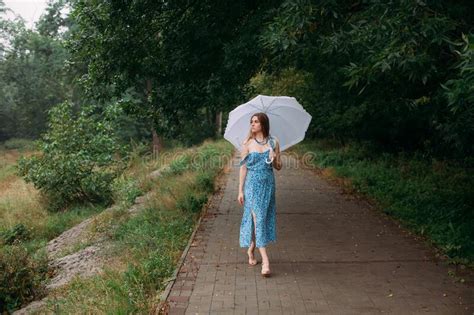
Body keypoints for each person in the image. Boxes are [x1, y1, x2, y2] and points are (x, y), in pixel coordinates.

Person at [237, 112, 282, 277]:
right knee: (259, 219)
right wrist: (240, 190)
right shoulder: (247, 144)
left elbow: (278, 167)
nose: (253, 124)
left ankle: (251, 249)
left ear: (263, 124)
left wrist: (274, 157)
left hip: (268, 186)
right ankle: (266, 261)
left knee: (261, 219)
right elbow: (243, 168)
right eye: (251, 122)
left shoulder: (273, 142)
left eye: (256, 122)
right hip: (252, 187)